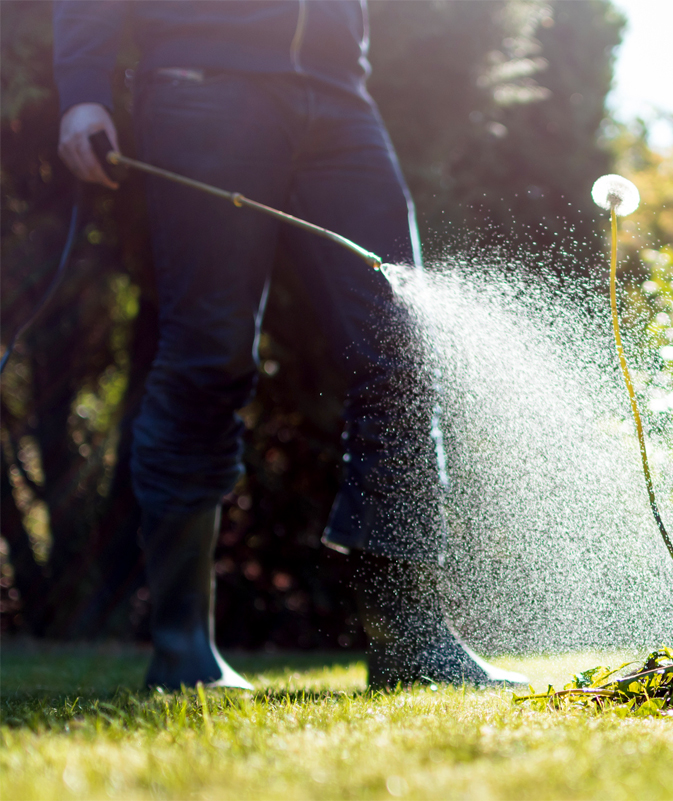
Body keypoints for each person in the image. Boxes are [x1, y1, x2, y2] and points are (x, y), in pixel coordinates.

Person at [53, 0, 526, 690]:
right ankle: (182, 648)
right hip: (204, 82)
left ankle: (409, 641)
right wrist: (84, 90)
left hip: (339, 95)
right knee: (208, 354)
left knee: (404, 345)